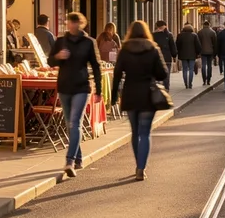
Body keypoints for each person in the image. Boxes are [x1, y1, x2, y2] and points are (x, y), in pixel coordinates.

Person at [110, 21, 168, 181]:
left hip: (130, 94)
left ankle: (138, 164)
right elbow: (163, 73)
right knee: (145, 132)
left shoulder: (125, 50)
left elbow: (116, 75)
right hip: (148, 95)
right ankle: (141, 167)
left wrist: (113, 97)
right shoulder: (153, 48)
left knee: (135, 132)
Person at [48, 12, 102, 178]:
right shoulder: (60, 41)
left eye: (75, 23)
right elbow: (50, 61)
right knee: (68, 123)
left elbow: (96, 66)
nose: (72, 26)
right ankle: (78, 158)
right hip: (64, 86)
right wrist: (58, 56)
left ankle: (69, 161)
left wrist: (99, 90)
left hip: (81, 87)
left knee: (75, 123)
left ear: (81, 24)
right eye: (69, 23)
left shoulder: (88, 42)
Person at [152, 20, 178, 91]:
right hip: (166, 58)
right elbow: (173, 47)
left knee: (155, 74)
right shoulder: (169, 35)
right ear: (164, 26)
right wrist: (174, 56)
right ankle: (166, 89)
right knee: (166, 75)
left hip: (156, 58)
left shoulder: (153, 35)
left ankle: (157, 89)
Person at [176, 23, 201, 89]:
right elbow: (198, 46)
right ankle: (190, 83)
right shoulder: (194, 35)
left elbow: (177, 45)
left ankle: (186, 84)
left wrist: (178, 52)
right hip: (192, 55)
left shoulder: (180, 35)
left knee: (184, 69)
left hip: (183, 55)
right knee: (191, 69)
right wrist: (198, 53)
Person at [197, 19, 218, 86]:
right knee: (209, 66)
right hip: (210, 52)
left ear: (203, 25)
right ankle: (208, 79)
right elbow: (215, 43)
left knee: (203, 65)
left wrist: (198, 52)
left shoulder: (200, 32)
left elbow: (198, 43)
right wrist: (215, 54)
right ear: (209, 25)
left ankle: (204, 79)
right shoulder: (213, 32)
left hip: (203, 52)